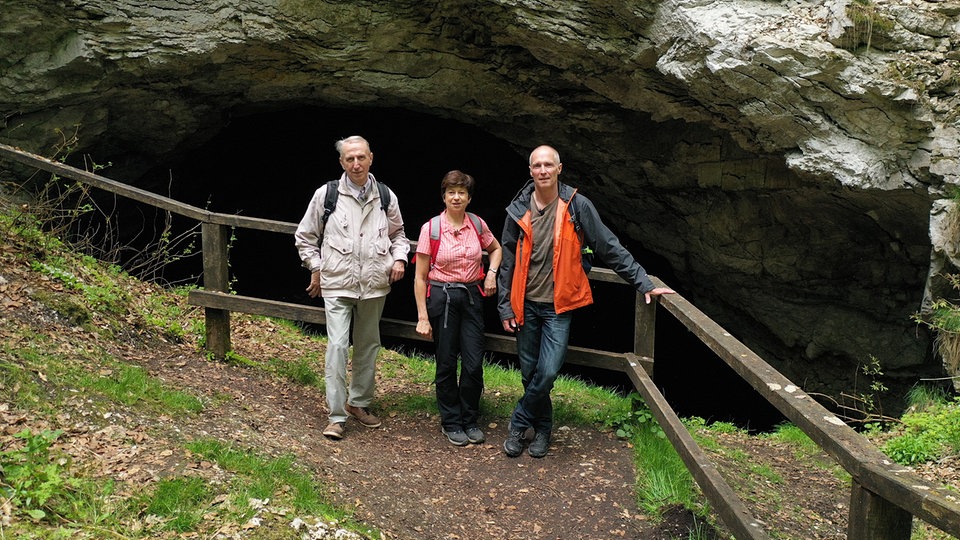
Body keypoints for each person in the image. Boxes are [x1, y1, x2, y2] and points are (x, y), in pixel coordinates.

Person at [496, 145, 675, 458]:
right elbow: (508, 260)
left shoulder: (577, 205)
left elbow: (607, 246)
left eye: (548, 165)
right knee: (529, 373)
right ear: (530, 171)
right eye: (537, 165)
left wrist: (642, 281)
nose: (542, 170)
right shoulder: (519, 207)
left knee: (547, 372)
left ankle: (519, 421)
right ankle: (542, 430)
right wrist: (504, 305)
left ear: (559, 168)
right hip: (525, 304)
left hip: (558, 307)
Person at [294, 135, 409, 440]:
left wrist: (399, 259)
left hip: (374, 284)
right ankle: (336, 416)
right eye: (350, 159)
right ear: (341, 162)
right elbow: (305, 236)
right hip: (337, 283)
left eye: (361, 157)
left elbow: (399, 235)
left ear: (371, 158)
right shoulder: (327, 194)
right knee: (337, 347)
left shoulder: (385, 195)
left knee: (368, 345)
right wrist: (316, 267)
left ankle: (358, 402)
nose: (356, 164)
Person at [414, 170, 502, 446]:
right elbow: (420, 277)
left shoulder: (477, 224)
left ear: (469, 198)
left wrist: (491, 273)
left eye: (461, 193)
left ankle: (469, 418)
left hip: (472, 296)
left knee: (474, 363)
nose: (456, 197)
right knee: (447, 361)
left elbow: (496, 249)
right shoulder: (431, 228)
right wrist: (422, 316)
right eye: (451, 192)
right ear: (444, 196)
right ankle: (451, 421)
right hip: (443, 297)